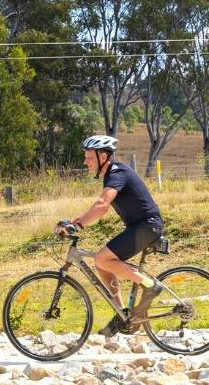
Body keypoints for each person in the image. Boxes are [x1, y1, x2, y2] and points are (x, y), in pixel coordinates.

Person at [56, 134, 164, 333]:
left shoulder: (117, 172)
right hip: (140, 227)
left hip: (147, 226)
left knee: (102, 258)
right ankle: (124, 315)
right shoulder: (111, 174)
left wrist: (79, 225)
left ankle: (150, 285)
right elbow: (99, 206)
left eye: (89, 157)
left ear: (103, 156)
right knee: (102, 264)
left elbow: (102, 205)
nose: (85, 161)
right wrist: (74, 220)